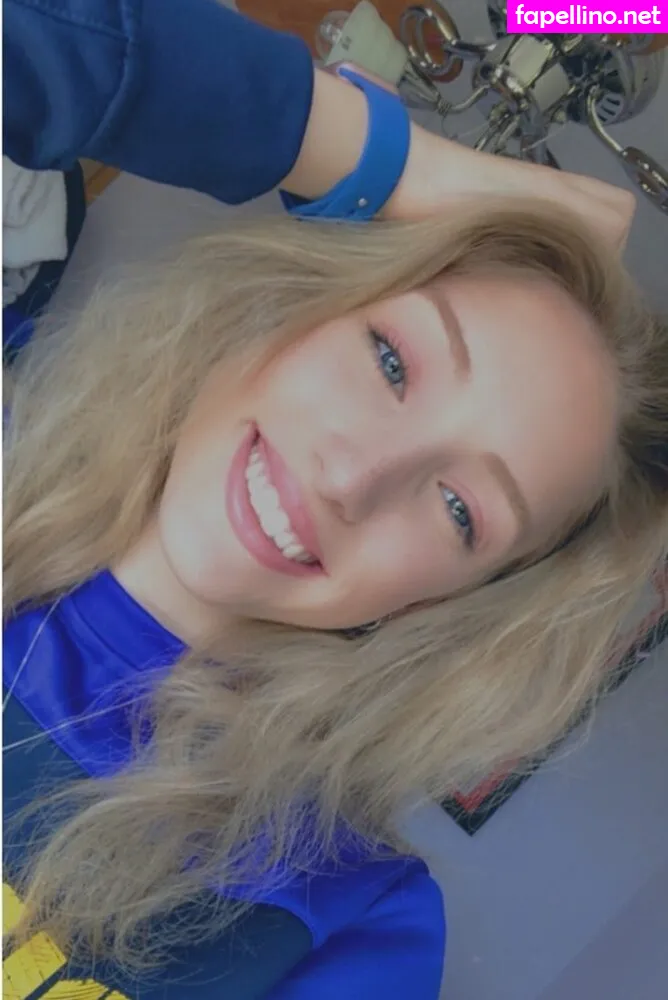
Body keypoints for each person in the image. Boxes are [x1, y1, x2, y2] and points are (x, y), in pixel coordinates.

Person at [4, 197, 668, 997]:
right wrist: (369, 155)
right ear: (302, 300)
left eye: (459, 509)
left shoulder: (353, 923)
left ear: (448, 603)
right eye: (391, 362)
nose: (350, 477)